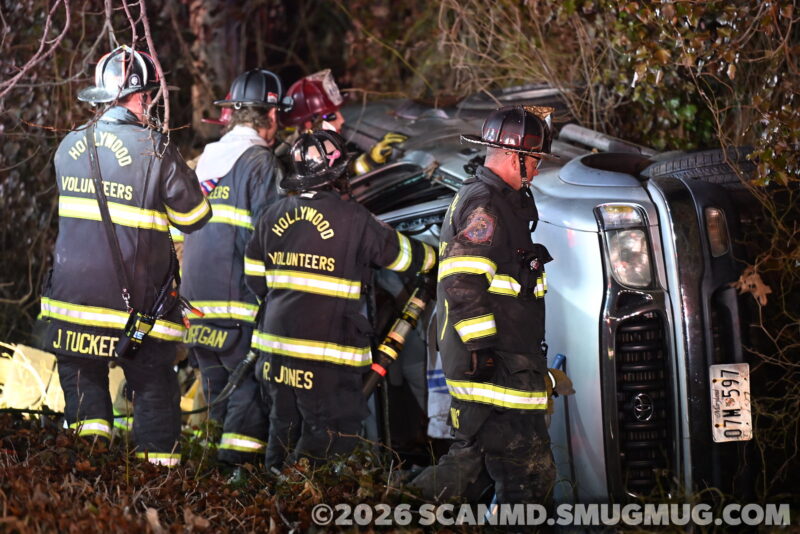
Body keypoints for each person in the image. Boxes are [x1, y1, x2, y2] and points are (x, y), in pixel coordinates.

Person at [37, 45, 211, 466]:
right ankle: (157, 487)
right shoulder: (155, 149)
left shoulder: (69, 146)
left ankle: (85, 475)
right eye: (149, 94)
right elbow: (195, 217)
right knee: (153, 387)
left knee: (83, 384)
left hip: (72, 304)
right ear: (141, 96)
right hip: (136, 311)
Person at [244, 130, 437, 469]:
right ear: (337, 175)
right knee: (332, 437)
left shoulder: (270, 216)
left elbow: (255, 281)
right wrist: (438, 257)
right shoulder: (354, 220)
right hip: (324, 361)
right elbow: (405, 258)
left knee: (282, 429)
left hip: (273, 353)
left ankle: (274, 499)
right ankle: (305, 508)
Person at [410, 105, 571, 504]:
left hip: (505, 364)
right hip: (496, 369)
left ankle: (391, 509)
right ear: (513, 154)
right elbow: (461, 282)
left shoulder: (498, 201)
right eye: (533, 159)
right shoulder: (486, 206)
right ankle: (389, 510)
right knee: (529, 480)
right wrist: (482, 350)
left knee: (471, 465)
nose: (535, 168)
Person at [180, 69, 291, 467]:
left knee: (220, 403)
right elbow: (272, 236)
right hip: (238, 313)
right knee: (247, 403)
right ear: (273, 116)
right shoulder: (260, 163)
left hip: (196, 311)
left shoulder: (206, 160)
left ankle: (210, 489)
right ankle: (239, 486)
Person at [277, 69, 406, 176]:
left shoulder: (322, 146)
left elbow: (342, 171)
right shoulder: (290, 166)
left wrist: (370, 160)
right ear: (308, 125)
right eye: (331, 116)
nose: (342, 120)